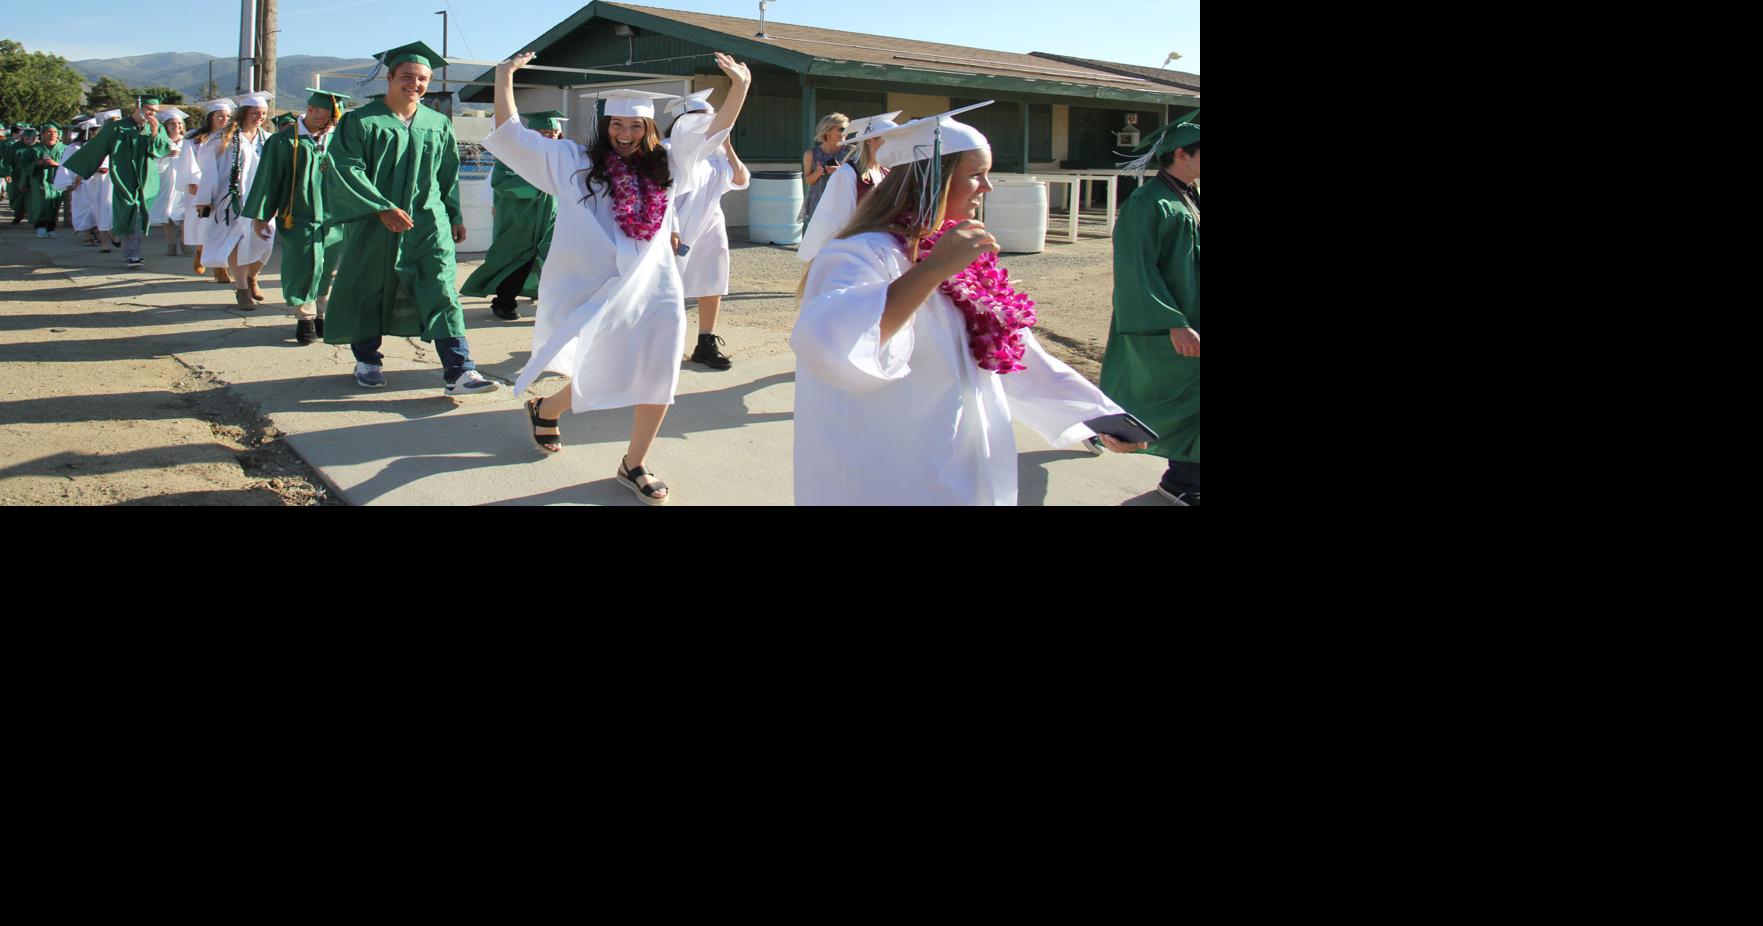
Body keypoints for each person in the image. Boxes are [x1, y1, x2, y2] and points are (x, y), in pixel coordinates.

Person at [791, 104, 1146, 505]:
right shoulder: (861, 254)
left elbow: (1015, 354)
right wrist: (933, 270)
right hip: (896, 466)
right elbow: (830, 343)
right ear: (932, 180)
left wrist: (1093, 415)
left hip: (963, 453)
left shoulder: (960, 252)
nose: (987, 187)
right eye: (976, 175)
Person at [483, 50, 751, 502]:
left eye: (635, 127)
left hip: (658, 284)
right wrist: (504, 78)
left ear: (649, 129)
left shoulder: (669, 164)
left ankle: (636, 462)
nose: (625, 134)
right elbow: (511, 136)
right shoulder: (574, 163)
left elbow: (712, 132)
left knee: (660, 370)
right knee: (602, 360)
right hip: (596, 283)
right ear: (604, 126)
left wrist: (739, 88)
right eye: (616, 125)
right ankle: (546, 408)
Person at [323, 41, 498, 396]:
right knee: (369, 286)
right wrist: (379, 206)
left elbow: (446, 174)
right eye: (407, 76)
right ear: (389, 77)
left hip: (427, 219)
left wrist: (454, 215)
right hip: (374, 220)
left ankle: (459, 370)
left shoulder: (437, 123)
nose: (414, 84)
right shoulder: (360, 121)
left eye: (422, 79)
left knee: (442, 287)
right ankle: (368, 359)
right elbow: (345, 168)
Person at [1100, 112, 1201, 506]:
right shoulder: (1148, 202)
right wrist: (1171, 322)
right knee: (1168, 398)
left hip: (1190, 311)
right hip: (1167, 321)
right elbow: (1134, 269)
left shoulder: (1186, 195)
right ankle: (1181, 481)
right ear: (1182, 154)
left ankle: (1186, 478)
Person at [242, 89, 350, 345]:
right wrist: (262, 216)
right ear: (311, 110)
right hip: (298, 216)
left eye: (334, 120)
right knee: (303, 268)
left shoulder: (338, 140)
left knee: (327, 267)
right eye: (326, 117)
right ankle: (305, 318)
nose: (330, 124)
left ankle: (322, 314)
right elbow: (269, 180)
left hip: (333, 218)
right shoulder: (282, 141)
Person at [665, 90, 750, 369]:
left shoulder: (715, 154)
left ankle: (705, 341)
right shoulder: (667, 150)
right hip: (675, 224)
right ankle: (663, 345)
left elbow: (740, 179)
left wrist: (727, 144)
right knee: (668, 287)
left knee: (712, 281)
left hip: (710, 223)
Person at [460, 109, 563, 321]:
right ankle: (503, 303)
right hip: (520, 219)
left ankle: (550, 302)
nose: (550, 135)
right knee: (515, 261)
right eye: (545, 131)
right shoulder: (514, 155)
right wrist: (539, 188)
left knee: (551, 260)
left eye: (554, 131)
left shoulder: (559, 154)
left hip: (549, 217)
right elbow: (502, 184)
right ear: (532, 132)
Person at [63, 99, 173, 267]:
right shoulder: (117, 127)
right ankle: (132, 253)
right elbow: (96, 148)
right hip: (124, 176)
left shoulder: (156, 128)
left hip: (147, 177)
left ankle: (125, 242)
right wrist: (81, 172)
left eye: (155, 111)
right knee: (131, 209)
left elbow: (162, 149)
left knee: (138, 212)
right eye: (149, 109)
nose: (153, 114)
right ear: (138, 107)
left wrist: (154, 133)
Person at [194, 92, 275, 305]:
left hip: (261, 200)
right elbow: (209, 171)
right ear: (244, 113)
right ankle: (242, 290)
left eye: (264, 113)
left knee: (265, 242)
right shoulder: (223, 139)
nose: (260, 117)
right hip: (231, 200)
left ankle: (252, 277)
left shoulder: (268, 139)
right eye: (255, 113)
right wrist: (204, 199)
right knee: (236, 241)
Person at [796, 109, 900, 264]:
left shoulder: (885, 171)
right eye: (886, 139)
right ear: (870, 140)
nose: (892, 145)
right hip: (852, 246)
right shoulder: (847, 174)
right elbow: (833, 225)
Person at [181, 99, 232, 280]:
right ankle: (201, 252)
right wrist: (194, 182)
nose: (224, 120)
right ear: (210, 117)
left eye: (227, 116)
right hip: (199, 187)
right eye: (220, 116)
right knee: (203, 226)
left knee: (222, 228)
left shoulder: (232, 136)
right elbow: (188, 162)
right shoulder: (194, 138)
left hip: (223, 187)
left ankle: (221, 269)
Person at [148, 107, 188, 255]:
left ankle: (185, 242)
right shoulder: (161, 141)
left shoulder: (188, 141)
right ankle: (171, 244)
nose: (176, 126)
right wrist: (165, 154)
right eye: (172, 124)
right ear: (166, 126)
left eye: (179, 123)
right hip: (165, 180)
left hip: (183, 180)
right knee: (166, 213)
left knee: (185, 213)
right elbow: (153, 163)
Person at [800, 113, 852, 226]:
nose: (845, 132)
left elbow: (861, 176)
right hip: (819, 202)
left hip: (844, 202)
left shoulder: (851, 150)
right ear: (827, 131)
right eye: (841, 129)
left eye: (847, 129)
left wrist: (841, 171)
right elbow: (808, 180)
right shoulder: (811, 154)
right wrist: (818, 173)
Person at [26, 123, 68, 238]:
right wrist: (37, 163)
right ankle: (40, 227)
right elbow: (23, 165)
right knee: (41, 203)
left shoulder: (64, 148)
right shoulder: (34, 149)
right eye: (49, 132)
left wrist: (56, 164)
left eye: (54, 132)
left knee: (55, 203)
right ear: (43, 134)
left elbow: (70, 164)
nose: (52, 134)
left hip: (57, 179)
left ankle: (51, 227)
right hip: (39, 180)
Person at [9, 125, 38, 225]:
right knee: (16, 197)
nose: (30, 141)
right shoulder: (15, 147)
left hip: (33, 176)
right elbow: (7, 161)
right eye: (28, 138)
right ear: (22, 138)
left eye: (33, 138)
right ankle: (18, 214)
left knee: (32, 197)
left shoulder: (38, 147)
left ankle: (32, 216)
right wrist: (7, 173)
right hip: (17, 176)